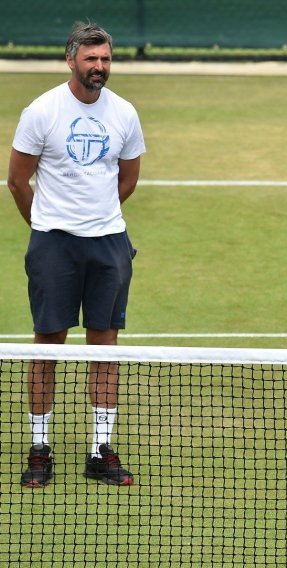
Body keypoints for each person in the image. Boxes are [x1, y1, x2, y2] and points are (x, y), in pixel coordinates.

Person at [7, 22, 146, 488]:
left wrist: (98, 219)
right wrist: (48, 228)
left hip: (108, 244)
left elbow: (128, 178)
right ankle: (40, 448)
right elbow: (17, 181)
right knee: (47, 346)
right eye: (91, 59)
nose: (99, 67)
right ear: (71, 61)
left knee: (105, 349)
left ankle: (100, 450)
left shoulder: (124, 113)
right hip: (54, 244)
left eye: (105, 59)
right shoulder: (42, 111)